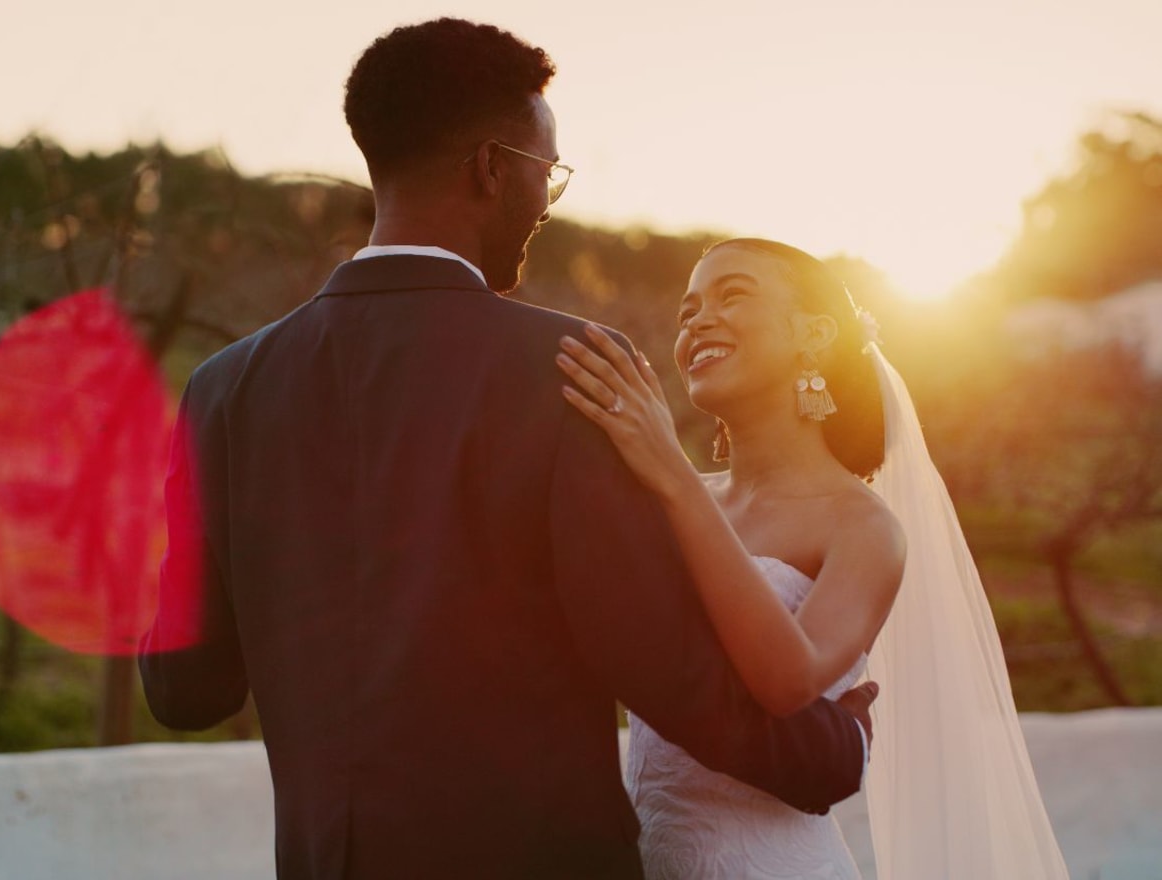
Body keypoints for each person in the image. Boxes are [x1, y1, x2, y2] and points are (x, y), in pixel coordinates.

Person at [140, 20, 874, 880]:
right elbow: (670, 668)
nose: (546, 203)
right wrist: (837, 747)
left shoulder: (224, 389)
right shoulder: (570, 369)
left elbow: (185, 692)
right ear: (491, 168)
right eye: (545, 173)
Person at [558, 237, 1069, 878]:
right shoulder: (670, 496)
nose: (697, 321)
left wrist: (670, 471)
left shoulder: (863, 526)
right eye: (688, 311)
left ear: (815, 334)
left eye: (731, 295)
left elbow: (787, 681)